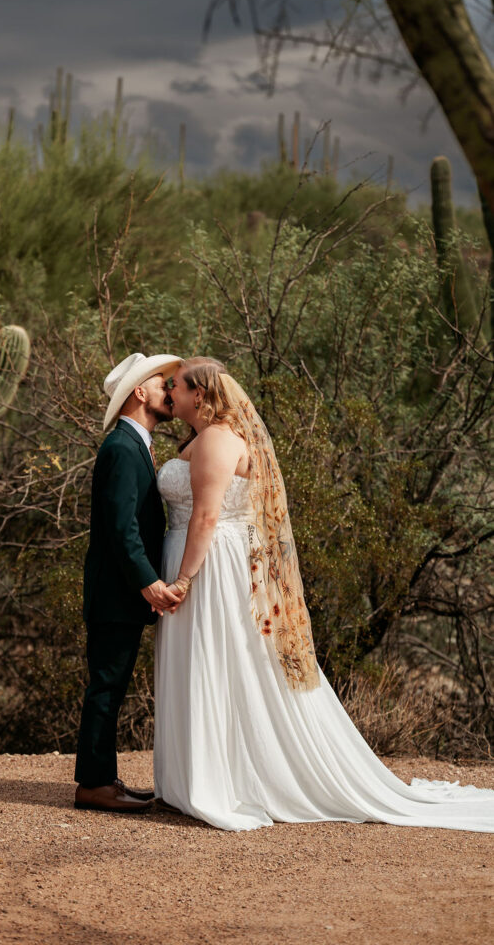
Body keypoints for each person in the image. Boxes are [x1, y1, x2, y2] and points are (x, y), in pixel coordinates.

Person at [154, 356, 494, 832]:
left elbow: (207, 517)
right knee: (210, 661)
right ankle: (206, 775)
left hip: (211, 563)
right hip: (204, 556)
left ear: (202, 394)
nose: (171, 392)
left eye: (178, 386)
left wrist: (185, 579)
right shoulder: (202, 438)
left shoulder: (215, 439)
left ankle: (225, 781)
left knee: (218, 659)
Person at [74, 352, 183, 813]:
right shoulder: (121, 448)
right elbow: (122, 529)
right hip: (115, 594)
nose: (171, 392)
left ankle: (103, 778)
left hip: (118, 594)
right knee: (106, 685)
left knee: (111, 684)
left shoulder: (132, 444)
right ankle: (93, 785)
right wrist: (149, 584)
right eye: (164, 385)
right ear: (141, 392)